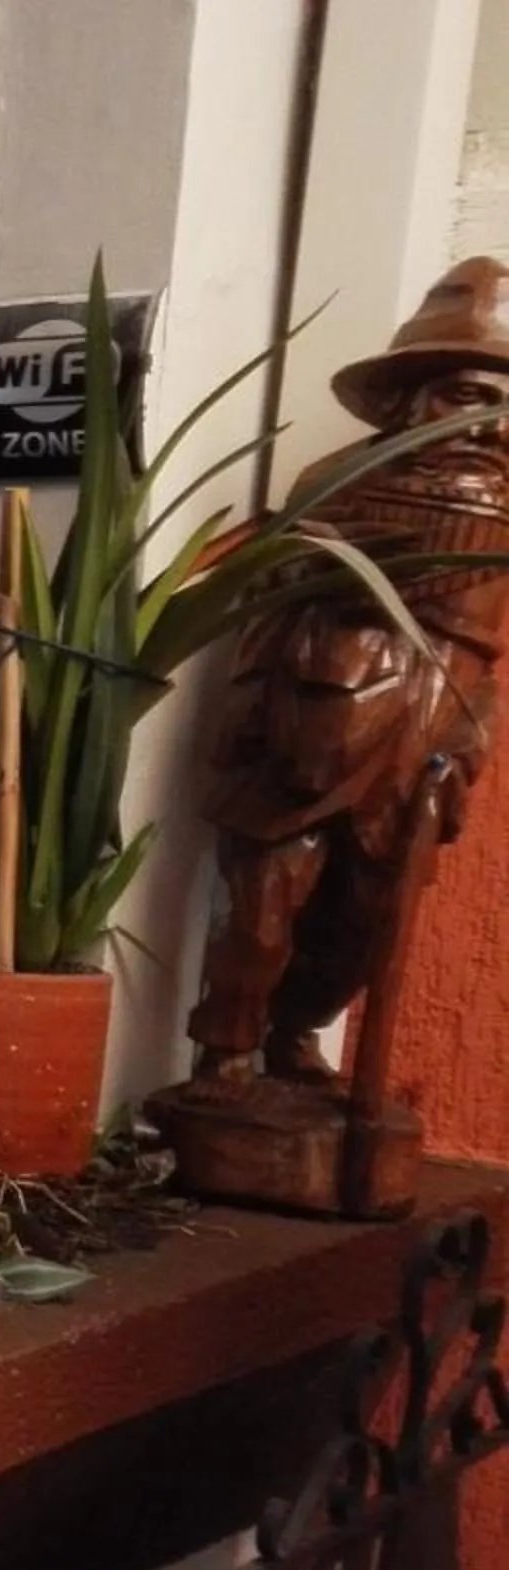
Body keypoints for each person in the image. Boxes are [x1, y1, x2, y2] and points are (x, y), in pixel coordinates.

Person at [190, 256, 509, 1084]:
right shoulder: (336, 483)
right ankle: (225, 1052)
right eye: (469, 397)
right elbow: (267, 594)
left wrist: (468, 738)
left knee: (370, 916)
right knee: (265, 903)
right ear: (410, 399)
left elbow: (483, 649)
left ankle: (296, 1030)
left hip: (428, 723)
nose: (490, 429)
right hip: (314, 713)